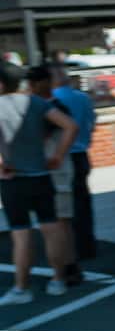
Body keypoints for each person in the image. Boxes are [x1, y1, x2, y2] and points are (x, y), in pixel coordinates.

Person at [0, 64, 79, 304]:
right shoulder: (35, 102)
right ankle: (57, 280)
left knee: (21, 235)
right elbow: (70, 126)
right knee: (51, 229)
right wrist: (57, 156)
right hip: (41, 176)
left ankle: (21, 288)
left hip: (12, 180)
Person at [46, 62, 97, 277]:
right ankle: (87, 245)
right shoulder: (83, 98)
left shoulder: (51, 102)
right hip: (82, 154)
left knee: (66, 210)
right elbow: (92, 123)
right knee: (83, 203)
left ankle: (70, 252)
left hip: (64, 156)